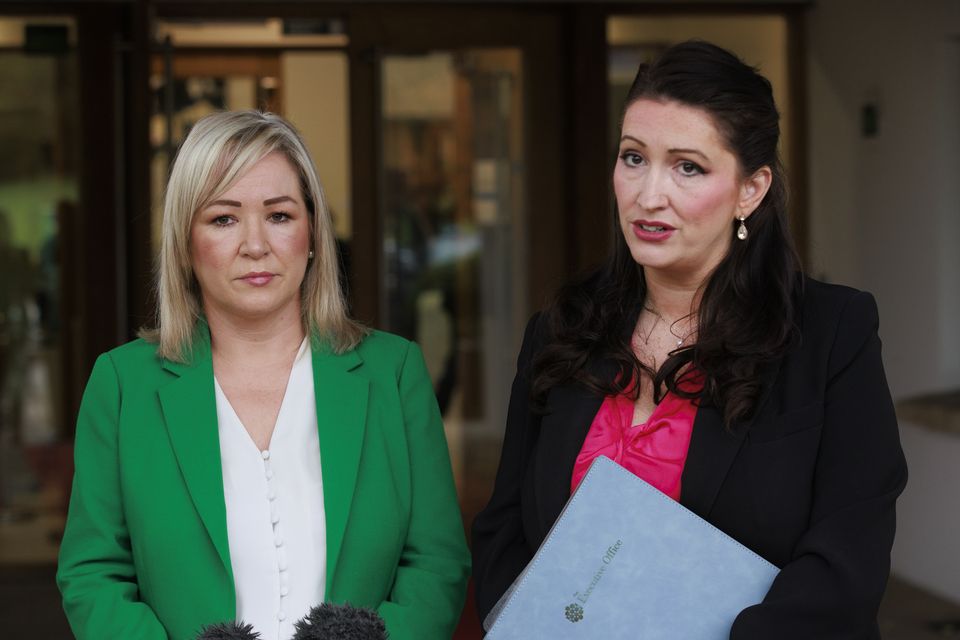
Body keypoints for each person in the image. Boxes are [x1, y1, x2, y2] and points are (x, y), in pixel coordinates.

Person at [472, 40, 907, 638]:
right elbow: (506, 529)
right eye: (633, 158)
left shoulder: (831, 334)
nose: (649, 195)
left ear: (750, 189)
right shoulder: (561, 330)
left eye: (688, 167)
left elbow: (847, 554)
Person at [57, 110, 470, 640]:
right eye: (223, 218)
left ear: (314, 231)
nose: (255, 244)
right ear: (185, 243)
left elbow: (436, 564)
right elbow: (94, 574)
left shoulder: (394, 373)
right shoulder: (122, 385)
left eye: (279, 215)